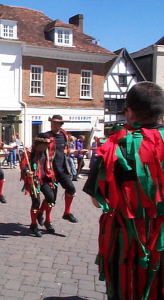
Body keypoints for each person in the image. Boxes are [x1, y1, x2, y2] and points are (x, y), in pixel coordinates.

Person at [83, 81, 164, 300]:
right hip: (161, 241)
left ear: (129, 112)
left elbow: (97, 201)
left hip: (125, 241)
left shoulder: (112, 147)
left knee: (125, 289)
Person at [46, 115, 85, 223]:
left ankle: (67, 213)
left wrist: (79, 152)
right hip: (51, 171)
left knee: (71, 189)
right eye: (52, 123)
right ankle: (47, 220)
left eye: (56, 123)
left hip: (62, 169)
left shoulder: (64, 135)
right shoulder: (46, 136)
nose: (54, 125)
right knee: (51, 198)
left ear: (60, 125)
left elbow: (67, 151)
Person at [21, 133, 57, 237]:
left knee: (51, 197)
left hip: (45, 178)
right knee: (36, 202)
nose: (46, 146)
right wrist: (27, 171)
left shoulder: (47, 151)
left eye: (47, 144)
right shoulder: (30, 152)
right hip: (34, 180)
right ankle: (33, 225)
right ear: (38, 143)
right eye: (44, 144)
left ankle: (40, 213)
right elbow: (24, 165)